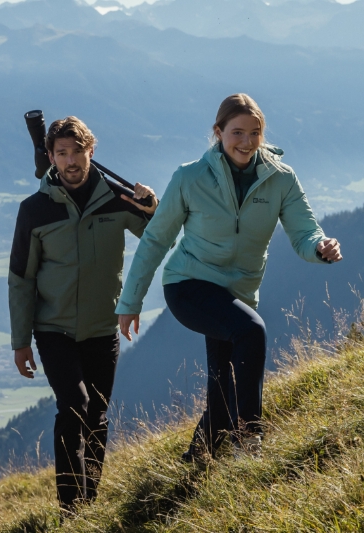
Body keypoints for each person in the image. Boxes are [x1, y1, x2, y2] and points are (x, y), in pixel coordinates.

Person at [116, 94, 341, 461]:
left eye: (255, 133)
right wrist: (131, 301)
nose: (247, 142)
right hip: (188, 285)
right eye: (237, 132)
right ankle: (249, 441)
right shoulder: (190, 177)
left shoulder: (280, 179)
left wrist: (320, 248)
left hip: (238, 291)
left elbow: (305, 232)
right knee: (251, 332)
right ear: (218, 132)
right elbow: (156, 239)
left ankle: (195, 463)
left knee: (223, 387)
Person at [8, 116, 158, 510]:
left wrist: (152, 207)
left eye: (78, 152)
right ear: (51, 157)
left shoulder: (116, 198)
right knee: (74, 406)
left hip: (101, 326)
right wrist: (21, 342)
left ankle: (90, 500)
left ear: (92, 151)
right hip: (53, 328)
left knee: (97, 414)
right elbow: (20, 279)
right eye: (62, 153)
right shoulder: (35, 210)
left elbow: (159, 236)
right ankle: (72, 510)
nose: (71, 161)